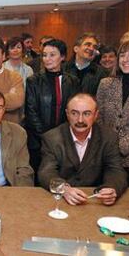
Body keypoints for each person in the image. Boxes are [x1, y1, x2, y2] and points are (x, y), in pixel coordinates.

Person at [39, 93, 127, 205]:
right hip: (61, 201)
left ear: (96, 115)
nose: (80, 120)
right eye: (74, 113)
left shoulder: (108, 137)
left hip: (95, 200)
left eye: (87, 114)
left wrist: (111, 188)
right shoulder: (52, 138)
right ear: (67, 114)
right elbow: (46, 172)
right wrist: (64, 189)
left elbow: (115, 170)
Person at [25, 39, 79, 178]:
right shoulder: (33, 81)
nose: (47, 59)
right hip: (39, 141)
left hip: (65, 139)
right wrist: (47, 137)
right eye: (44, 55)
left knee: (64, 177)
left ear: (62, 57)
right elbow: (31, 112)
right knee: (41, 177)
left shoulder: (73, 81)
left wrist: (63, 136)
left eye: (52, 55)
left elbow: (74, 110)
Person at [97, 40, 129, 186]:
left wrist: (119, 147)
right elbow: (98, 116)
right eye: (122, 55)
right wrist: (108, 146)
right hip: (106, 157)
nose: (125, 59)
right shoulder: (106, 84)